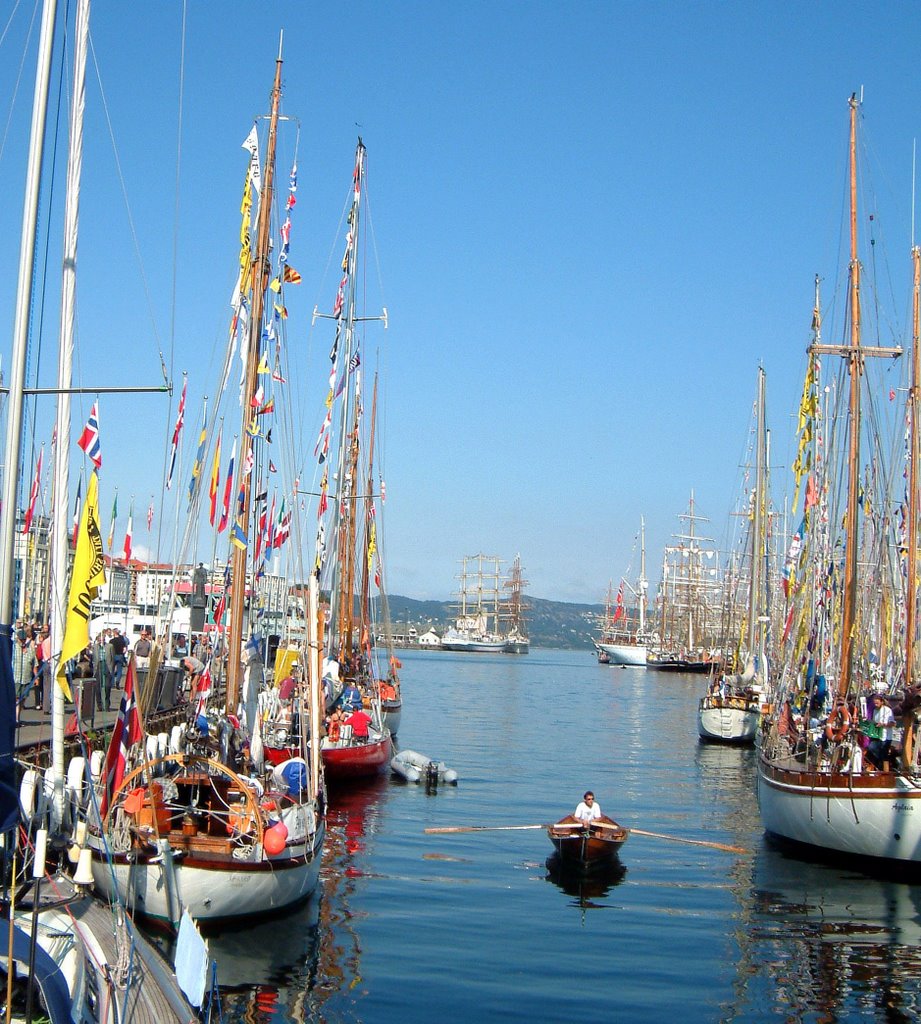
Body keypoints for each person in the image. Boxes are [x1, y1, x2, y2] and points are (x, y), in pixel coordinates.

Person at [869, 695, 895, 769]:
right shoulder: (875, 711)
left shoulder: (888, 710)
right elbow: (874, 721)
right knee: (871, 747)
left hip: (886, 736)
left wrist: (883, 724)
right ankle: (881, 763)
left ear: (882, 702)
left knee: (884, 753)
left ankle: (886, 769)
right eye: (874, 704)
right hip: (877, 734)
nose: (875, 705)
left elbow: (893, 723)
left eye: (877, 703)